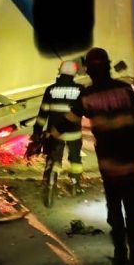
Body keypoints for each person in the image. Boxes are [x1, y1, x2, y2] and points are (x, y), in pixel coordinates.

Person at [65, 47, 134, 265]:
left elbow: (68, 121)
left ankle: (120, 253)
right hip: (133, 162)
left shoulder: (87, 96)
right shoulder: (125, 90)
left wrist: (45, 140)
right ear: (108, 66)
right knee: (132, 209)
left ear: (88, 69)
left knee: (115, 209)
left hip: (110, 167)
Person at [26, 60, 84, 193]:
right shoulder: (80, 90)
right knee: (75, 159)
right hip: (74, 133)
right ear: (74, 74)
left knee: (54, 157)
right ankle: (76, 183)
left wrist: (37, 132)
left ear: (60, 72)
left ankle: (51, 180)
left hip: (54, 132)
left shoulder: (50, 90)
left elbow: (43, 114)